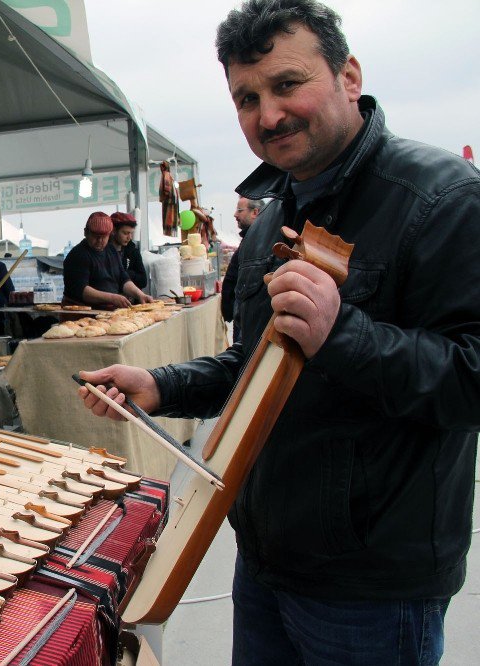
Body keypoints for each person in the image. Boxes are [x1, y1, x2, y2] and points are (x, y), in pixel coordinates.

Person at [77, 1, 480, 664]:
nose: (267, 116)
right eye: (246, 98)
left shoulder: (441, 199)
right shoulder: (267, 226)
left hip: (371, 588)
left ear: (349, 76)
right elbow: (253, 369)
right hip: (264, 564)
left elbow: (471, 378)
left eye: (287, 85)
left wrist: (340, 332)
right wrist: (159, 384)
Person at [63, 211, 152, 308]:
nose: (100, 241)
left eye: (104, 237)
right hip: (80, 314)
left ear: (110, 234)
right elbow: (82, 290)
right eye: (96, 236)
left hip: (106, 311)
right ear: (86, 232)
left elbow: (123, 279)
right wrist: (112, 298)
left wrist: (140, 295)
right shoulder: (78, 255)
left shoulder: (111, 250)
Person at [220, 198, 265, 335]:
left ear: (255, 212)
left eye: (240, 210)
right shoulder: (252, 239)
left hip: (248, 317)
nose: (235, 214)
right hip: (244, 315)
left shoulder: (259, 240)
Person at [110, 212, 148, 290]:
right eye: (125, 233)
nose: (129, 237)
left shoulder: (133, 251)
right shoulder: (104, 252)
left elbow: (143, 281)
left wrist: (125, 273)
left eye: (131, 233)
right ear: (113, 231)